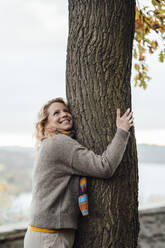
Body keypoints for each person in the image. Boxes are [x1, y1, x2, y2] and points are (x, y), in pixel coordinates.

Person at [24, 97, 134, 248]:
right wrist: (122, 131)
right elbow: (104, 167)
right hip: (50, 236)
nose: (63, 114)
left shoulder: (51, 142)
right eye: (56, 113)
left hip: (46, 234)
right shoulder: (59, 142)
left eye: (66, 110)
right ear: (46, 123)